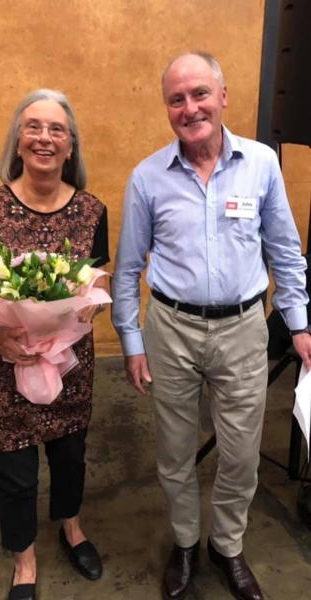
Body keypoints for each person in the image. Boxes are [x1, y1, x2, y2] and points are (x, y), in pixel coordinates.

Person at [112, 52, 311, 600]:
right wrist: (131, 341)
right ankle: (184, 545)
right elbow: (128, 270)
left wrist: (299, 323)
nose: (189, 107)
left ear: (223, 96)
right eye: (176, 99)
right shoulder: (148, 177)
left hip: (244, 327)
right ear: (167, 109)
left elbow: (286, 253)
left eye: (200, 93)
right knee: (174, 452)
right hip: (171, 329)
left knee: (242, 452)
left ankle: (227, 546)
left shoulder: (261, 166)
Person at [0, 89, 109, 600]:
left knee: (70, 458)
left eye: (56, 129)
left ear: (70, 146)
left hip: (67, 366)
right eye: (33, 127)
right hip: (1, 370)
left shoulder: (92, 211)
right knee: (15, 474)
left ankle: (71, 525)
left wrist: (81, 313)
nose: (45, 137)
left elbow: (97, 289)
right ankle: (23, 558)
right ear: (18, 141)